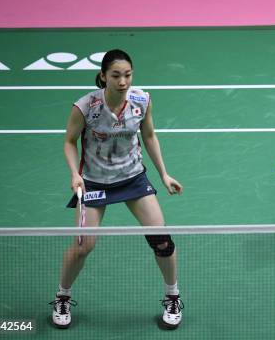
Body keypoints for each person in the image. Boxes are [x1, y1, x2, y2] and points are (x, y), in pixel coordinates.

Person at [49, 49, 185, 329]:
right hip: (95, 182)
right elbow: (69, 142)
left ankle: (173, 295)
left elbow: (149, 135)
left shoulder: (142, 100)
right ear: (103, 76)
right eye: (116, 75)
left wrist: (163, 174)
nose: (123, 81)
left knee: (162, 241)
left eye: (128, 75)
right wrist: (75, 174)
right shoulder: (85, 107)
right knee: (82, 246)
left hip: (132, 179)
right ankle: (62, 296)